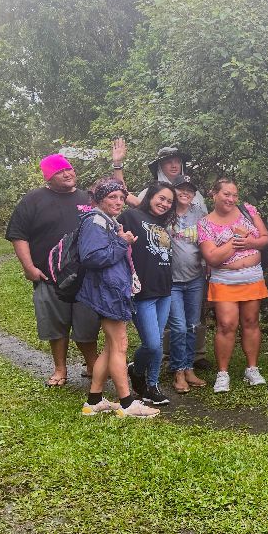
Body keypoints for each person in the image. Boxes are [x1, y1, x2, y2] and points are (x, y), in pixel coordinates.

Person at [112, 140, 209, 370]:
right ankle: (166, 360)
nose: (174, 165)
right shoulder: (154, 195)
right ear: (160, 166)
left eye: (177, 161)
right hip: (163, 275)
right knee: (171, 325)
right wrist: (117, 165)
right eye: (168, 162)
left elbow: (206, 229)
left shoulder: (195, 197)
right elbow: (125, 197)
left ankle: (191, 361)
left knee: (192, 322)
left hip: (193, 272)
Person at [5, 153, 100, 386]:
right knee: (55, 325)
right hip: (49, 276)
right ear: (48, 177)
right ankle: (60, 369)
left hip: (85, 276)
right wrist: (28, 267)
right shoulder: (33, 200)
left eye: (69, 169)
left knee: (87, 324)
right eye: (59, 171)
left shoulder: (88, 198)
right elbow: (18, 234)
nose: (67, 174)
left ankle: (92, 365)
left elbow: (111, 212)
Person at [77, 178, 159, 418]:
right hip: (107, 292)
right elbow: (91, 257)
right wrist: (122, 243)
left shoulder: (107, 221)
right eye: (112, 197)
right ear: (100, 199)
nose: (119, 202)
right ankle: (127, 403)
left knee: (111, 346)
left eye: (122, 198)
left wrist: (122, 241)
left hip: (111, 290)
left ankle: (93, 401)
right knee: (120, 345)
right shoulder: (95, 221)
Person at [198, 178, 268, 393]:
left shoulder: (247, 211)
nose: (231, 199)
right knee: (226, 324)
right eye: (226, 194)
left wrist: (250, 242)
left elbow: (265, 238)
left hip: (252, 276)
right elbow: (212, 258)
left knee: (251, 322)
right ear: (214, 194)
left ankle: (252, 369)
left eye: (234, 195)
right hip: (225, 279)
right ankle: (223, 373)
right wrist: (235, 239)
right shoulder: (204, 223)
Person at [120, 181, 177, 405]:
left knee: (158, 342)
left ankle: (152, 386)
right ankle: (136, 370)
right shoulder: (131, 217)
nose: (164, 204)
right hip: (142, 291)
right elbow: (114, 242)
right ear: (150, 196)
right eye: (161, 198)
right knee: (152, 344)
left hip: (164, 289)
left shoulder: (163, 224)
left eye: (169, 201)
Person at [166, 175, 207, 393]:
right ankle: (178, 372)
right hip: (171, 280)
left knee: (192, 326)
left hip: (195, 278)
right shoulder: (164, 211)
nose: (185, 193)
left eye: (189, 190)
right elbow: (134, 202)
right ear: (173, 191)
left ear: (194, 195)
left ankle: (189, 368)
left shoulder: (199, 214)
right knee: (179, 327)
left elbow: (209, 240)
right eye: (180, 188)